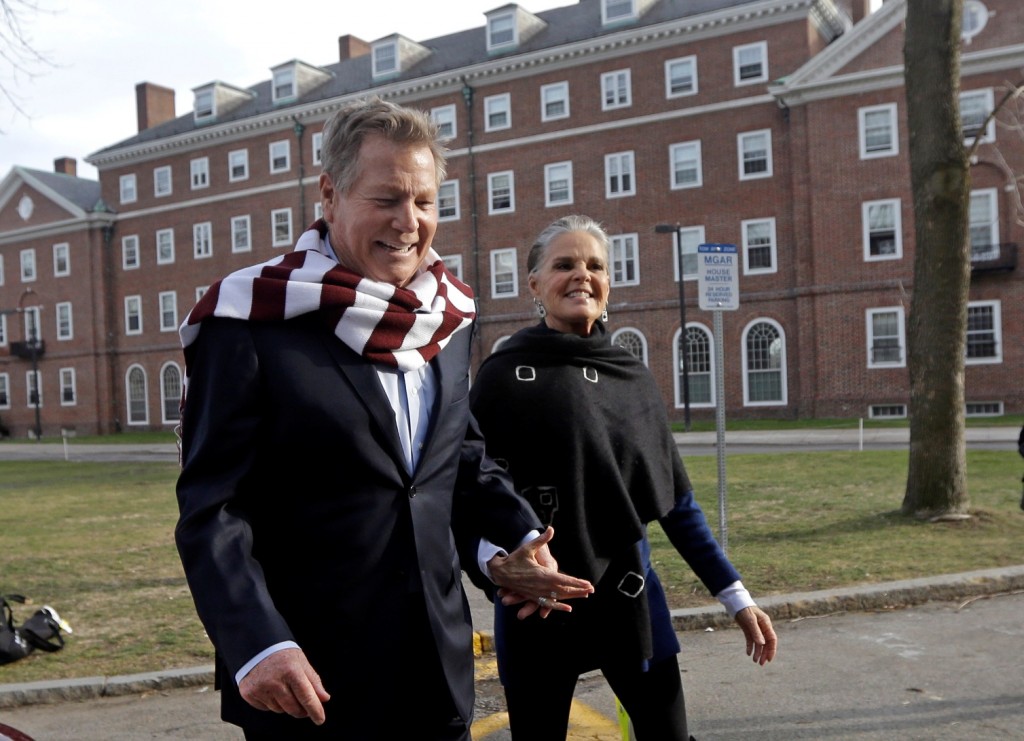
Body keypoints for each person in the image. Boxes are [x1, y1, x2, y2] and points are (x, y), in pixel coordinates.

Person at [174, 98, 593, 740]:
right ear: (329, 194)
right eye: (388, 199)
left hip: (436, 672)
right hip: (308, 683)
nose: (409, 223)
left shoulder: (445, 320)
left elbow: (457, 463)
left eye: (424, 202)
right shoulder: (252, 322)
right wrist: (257, 644)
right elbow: (212, 509)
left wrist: (506, 546)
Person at [468, 215, 779, 740]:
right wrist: (496, 562)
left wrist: (736, 596)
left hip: (630, 598)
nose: (581, 275)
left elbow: (674, 500)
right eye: (564, 264)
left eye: (595, 266)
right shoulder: (504, 375)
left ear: (609, 284)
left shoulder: (629, 375)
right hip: (538, 606)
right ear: (535, 285)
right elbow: (470, 489)